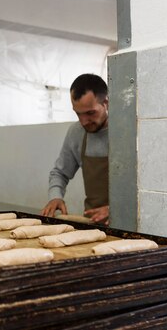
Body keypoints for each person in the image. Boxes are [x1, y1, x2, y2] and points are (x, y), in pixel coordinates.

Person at [41, 73, 109, 225]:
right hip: (93, 224)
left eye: (90, 113)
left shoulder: (128, 131)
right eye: (78, 113)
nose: (83, 121)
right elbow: (60, 173)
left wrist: (117, 209)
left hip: (131, 226)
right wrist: (55, 196)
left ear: (106, 103)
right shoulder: (76, 132)